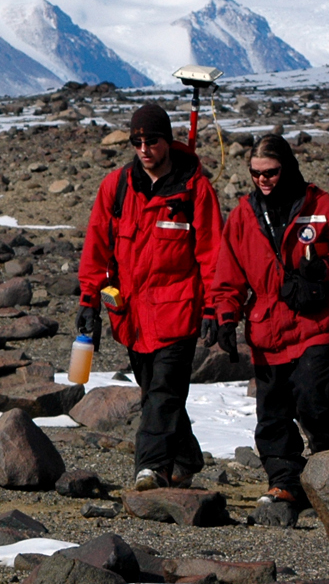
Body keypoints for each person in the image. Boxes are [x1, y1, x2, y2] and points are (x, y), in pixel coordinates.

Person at [209, 133, 329, 509]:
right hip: (268, 327)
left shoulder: (321, 205)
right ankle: (285, 483)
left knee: (311, 397)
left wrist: (323, 268)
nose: (263, 180)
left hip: (319, 322)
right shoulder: (244, 215)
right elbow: (228, 276)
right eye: (256, 173)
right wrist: (226, 318)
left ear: (288, 168)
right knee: (273, 412)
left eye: (271, 172)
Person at [78, 103, 223, 491]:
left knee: (161, 393)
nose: (144, 149)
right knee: (159, 393)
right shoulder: (118, 186)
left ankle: (150, 468)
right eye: (137, 141)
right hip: (132, 317)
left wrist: (215, 305)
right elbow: (97, 245)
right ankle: (187, 457)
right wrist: (88, 300)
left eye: (152, 141)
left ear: (168, 140)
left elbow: (211, 252)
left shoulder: (194, 189)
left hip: (179, 313)